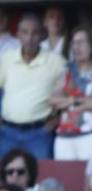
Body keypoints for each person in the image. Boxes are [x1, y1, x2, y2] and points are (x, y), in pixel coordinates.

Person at [0, 12, 65, 161]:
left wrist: (58, 118)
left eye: (35, 33)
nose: (29, 38)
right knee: (6, 178)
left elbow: (72, 92)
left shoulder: (56, 61)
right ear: (17, 35)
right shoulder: (7, 59)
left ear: (42, 35)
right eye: (25, 32)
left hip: (40, 132)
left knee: (41, 177)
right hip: (7, 131)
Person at [49, 25, 92, 162]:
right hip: (64, 135)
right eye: (74, 43)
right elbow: (53, 99)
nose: (77, 47)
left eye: (81, 42)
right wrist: (77, 100)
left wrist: (68, 102)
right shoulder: (67, 70)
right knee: (65, 178)